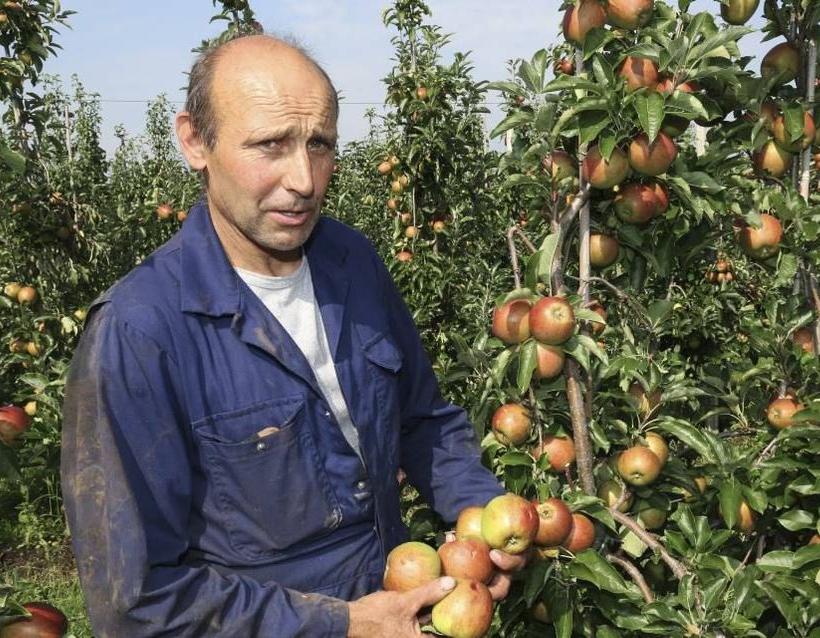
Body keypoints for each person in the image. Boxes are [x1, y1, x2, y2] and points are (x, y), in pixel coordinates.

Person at [60, 34, 523, 637]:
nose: (304, 179)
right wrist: (339, 625)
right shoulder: (139, 333)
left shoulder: (351, 262)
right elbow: (137, 599)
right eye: (270, 145)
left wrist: (479, 514)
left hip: (403, 601)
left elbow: (421, 420)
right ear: (195, 141)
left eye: (319, 144)